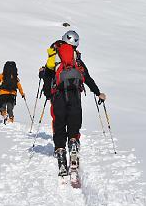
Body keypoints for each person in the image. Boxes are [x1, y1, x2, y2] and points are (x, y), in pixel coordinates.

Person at [39, 30, 106, 176]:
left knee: (59, 124)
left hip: (58, 95)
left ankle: (61, 153)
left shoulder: (54, 56)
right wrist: (97, 92)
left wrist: (48, 93)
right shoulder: (77, 59)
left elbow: (48, 76)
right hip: (74, 95)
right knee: (74, 122)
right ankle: (74, 142)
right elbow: (87, 78)